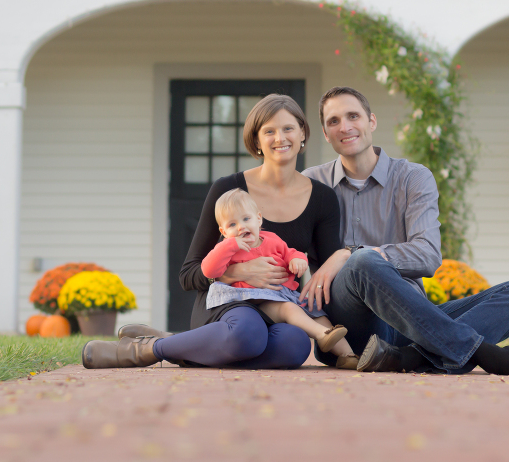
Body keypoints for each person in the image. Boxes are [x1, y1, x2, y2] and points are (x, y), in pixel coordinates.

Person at [300, 86, 509, 375]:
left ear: (371, 121)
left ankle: (406, 358)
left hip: (412, 322)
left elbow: (427, 255)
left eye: (353, 116)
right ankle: (491, 356)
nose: (344, 127)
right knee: (362, 263)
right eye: (334, 121)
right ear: (325, 132)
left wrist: (348, 252)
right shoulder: (310, 185)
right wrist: (355, 259)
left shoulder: (412, 178)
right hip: (350, 330)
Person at [82, 94, 351, 370]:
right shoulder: (228, 191)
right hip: (227, 307)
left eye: (288, 128)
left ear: (303, 133)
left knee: (295, 346)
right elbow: (188, 274)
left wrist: (344, 258)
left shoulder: (322, 198)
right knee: (248, 333)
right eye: (269, 131)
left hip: (279, 308)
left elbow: (324, 274)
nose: (279, 138)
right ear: (257, 140)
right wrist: (237, 272)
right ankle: (148, 349)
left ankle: (187, 345)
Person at [202, 188, 356, 364]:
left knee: (316, 312)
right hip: (253, 303)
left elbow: (290, 252)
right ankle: (321, 335)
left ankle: (348, 356)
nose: (241, 227)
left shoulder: (272, 239)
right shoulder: (227, 250)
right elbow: (209, 270)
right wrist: (228, 245)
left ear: (258, 219)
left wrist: (297, 260)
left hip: (282, 294)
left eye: (246, 219)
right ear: (223, 231)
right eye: (232, 225)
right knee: (289, 309)